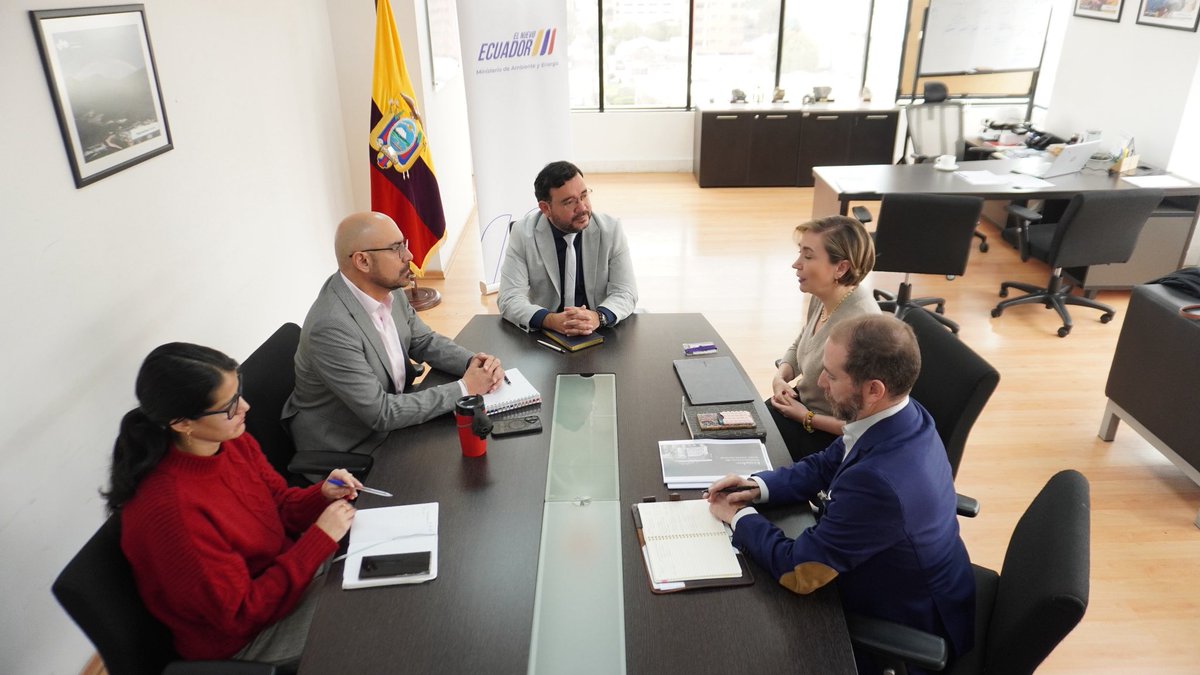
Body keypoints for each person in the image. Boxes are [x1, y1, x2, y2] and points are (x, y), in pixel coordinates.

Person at [707, 315, 975, 675]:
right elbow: (826, 463)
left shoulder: (878, 483)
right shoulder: (899, 414)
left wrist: (738, 516)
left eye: (832, 376)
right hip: (911, 578)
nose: (819, 382)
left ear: (874, 390)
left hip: (907, 626)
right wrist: (757, 487)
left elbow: (799, 572)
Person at [106, 343, 362, 667]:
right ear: (182, 423)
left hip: (285, 580)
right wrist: (319, 540)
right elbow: (241, 615)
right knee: (372, 613)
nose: (245, 407)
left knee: (386, 573)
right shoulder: (172, 513)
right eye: (229, 406)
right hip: (249, 638)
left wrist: (322, 494)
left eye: (238, 392)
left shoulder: (229, 441)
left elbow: (279, 507)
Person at [283, 211, 504, 455]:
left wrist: (473, 362)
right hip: (352, 447)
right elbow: (381, 413)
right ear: (363, 261)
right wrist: (465, 388)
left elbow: (423, 340)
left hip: (395, 417)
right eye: (397, 248)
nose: (409, 255)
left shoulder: (388, 288)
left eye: (404, 244)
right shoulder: (331, 327)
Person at [770, 215, 878, 462]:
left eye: (808, 256)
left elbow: (865, 426)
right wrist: (781, 377)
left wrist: (806, 418)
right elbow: (803, 342)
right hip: (799, 409)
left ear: (841, 268)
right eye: (800, 253)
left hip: (828, 439)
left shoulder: (862, 328)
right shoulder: (825, 295)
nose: (796, 264)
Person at [498, 160, 638, 335]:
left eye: (584, 195)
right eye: (569, 202)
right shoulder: (523, 233)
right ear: (545, 208)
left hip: (600, 329)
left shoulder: (610, 230)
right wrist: (550, 320)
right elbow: (509, 297)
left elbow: (626, 292)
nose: (582, 208)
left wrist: (597, 317)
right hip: (546, 332)